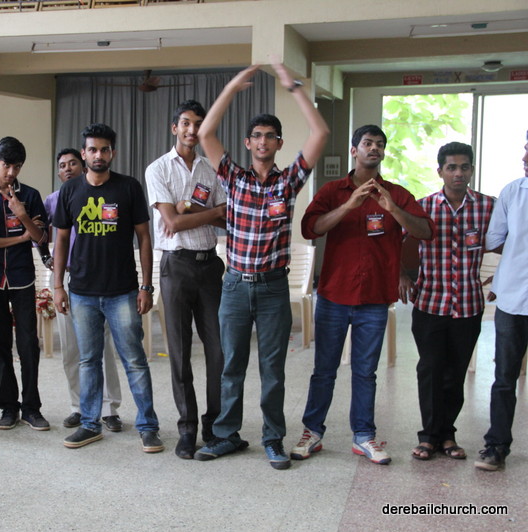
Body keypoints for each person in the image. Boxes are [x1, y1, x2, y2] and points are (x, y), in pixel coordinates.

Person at [194, 64, 330, 469]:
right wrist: (232, 88)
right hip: (235, 285)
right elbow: (205, 133)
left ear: (278, 142)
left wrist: (295, 88)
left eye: (270, 136)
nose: (263, 141)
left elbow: (320, 133)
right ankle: (227, 436)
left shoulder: (289, 182)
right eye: (257, 135)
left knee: (273, 370)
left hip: (272, 288)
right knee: (231, 366)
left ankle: (273, 439)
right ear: (248, 142)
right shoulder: (233, 178)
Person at [293, 124, 433, 465]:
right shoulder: (333, 191)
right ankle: (312, 432)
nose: (374, 148)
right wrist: (348, 206)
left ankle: (364, 436)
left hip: (374, 299)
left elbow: (425, 231)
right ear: (354, 150)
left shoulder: (396, 193)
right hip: (334, 296)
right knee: (324, 370)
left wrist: (393, 209)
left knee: (365, 372)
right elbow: (310, 228)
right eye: (368, 143)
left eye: (380, 144)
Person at [53, 123, 163, 453]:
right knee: (88, 361)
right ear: (84, 153)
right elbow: (61, 240)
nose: (98, 155)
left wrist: (146, 285)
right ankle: (90, 424)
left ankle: (148, 426)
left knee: (135, 361)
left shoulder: (128, 187)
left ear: (112, 152)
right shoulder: (70, 190)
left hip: (122, 292)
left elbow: (144, 238)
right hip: (82, 292)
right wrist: (58, 286)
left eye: (104, 149)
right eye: (92, 149)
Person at [399, 142, 494, 461]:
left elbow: (511, 242)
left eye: (464, 167)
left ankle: (447, 434)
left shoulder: (487, 207)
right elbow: (393, 243)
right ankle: (428, 437)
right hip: (430, 303)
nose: (458, 173)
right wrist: (401, 275)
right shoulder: (422, 207)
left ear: (471, 170)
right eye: (451, 167)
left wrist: (501, 278)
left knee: (455, 372)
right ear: (440, 171)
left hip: (468, 305)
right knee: (430, 370)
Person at [145, 100, 227, 459]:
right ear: (174, 128)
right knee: (179, 352)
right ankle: (187, 428)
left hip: (210, 266)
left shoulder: (212, 169)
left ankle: (214, 425)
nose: (192, 130)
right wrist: (206, 212)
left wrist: (190, 208)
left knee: (218, 351)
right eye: (186, 123)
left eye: (198, 124)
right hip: (176, 267)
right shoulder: (158, 169)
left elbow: (227, 220)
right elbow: (172, 223)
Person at [0, 137, 50, 431]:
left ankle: (31, 408)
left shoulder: (30, 195)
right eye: (6, 166)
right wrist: (20, 238)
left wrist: (22, 216)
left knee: (28, 343)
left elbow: (41, 238)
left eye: (17, 167)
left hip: (22, 278)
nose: (11, 173)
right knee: (0, 342)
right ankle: (8, 407)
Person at [45, 149, 123, 431]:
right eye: (62, 166)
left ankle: (109, 408)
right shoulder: (53, 201)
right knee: (71, 348)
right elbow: (40, 235)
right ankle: (79, 406)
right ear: (58, 173)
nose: (67, 169)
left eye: (72, 163)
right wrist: (48, 261)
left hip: (97, 277)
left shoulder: (102, 195)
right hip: (65, 277)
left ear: (84, 165)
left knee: (102, 347)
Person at [475, 131, 528, 471]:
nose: (525, 158)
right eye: (526, 149)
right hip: (512, 297)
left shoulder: (513, 192)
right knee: (504, 377)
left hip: (512, 291)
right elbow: (493, 238)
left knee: (505, 377)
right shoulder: (512, 191)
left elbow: (497, 239)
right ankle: (496, 446)